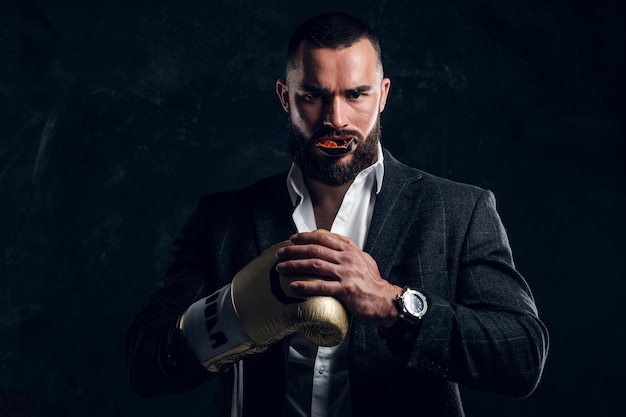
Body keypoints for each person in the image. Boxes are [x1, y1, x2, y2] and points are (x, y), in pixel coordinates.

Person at [124, 12, 549, 417]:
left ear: (382, 96)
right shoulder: (222, 219)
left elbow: (522, 356)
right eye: (313, 96)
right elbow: (145, 363)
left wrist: (392, 304)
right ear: (285, 97)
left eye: (355, 94)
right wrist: (234, 316)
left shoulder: (458, 209)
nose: (336, 119)